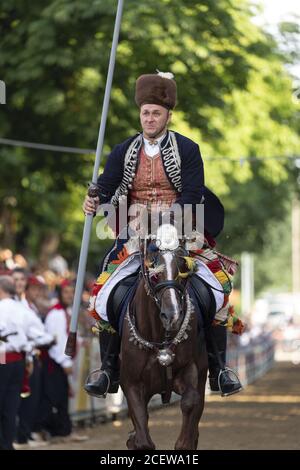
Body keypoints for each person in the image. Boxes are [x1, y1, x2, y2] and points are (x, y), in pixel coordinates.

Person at [83, 71, 243, 398]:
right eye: (146, 113)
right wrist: (93, 198)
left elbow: (194, 192)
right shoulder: (124, 149)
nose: (150, 118)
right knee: (103, 293)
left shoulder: (187, 148)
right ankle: (108, 368)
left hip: (180, 229)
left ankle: (220, 368)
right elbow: (107, 184)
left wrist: (169, 221)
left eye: (157, 113)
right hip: (136, 233)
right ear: (140, 114)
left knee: (216, 289)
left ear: (168, 116)